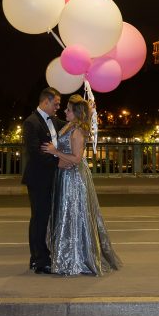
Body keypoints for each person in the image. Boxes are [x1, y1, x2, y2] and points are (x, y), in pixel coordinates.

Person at [42, 94, 121, 276]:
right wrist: (90, 110)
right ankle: (67, 256)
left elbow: (77, 159)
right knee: (67, 216)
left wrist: (55, 152)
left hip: (73, 178)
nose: (65, 111)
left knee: (73, 216)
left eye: (68, 109)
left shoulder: (77, 131)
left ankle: (76, 258)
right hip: (65, 174)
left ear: (75, 113)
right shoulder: (71, 125)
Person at [21, 86, 64, 273]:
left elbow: (71, 124)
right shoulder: (31, 123)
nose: (58, 108)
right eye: (56, 104)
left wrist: (87, 112)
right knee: (39, 218)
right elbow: (34, 153)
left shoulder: (53, 120)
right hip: (38, 178)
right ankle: (40, 260)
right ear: (45, 101)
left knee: (43, 218)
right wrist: (58, 162)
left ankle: (37, 257)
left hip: (48, 177)